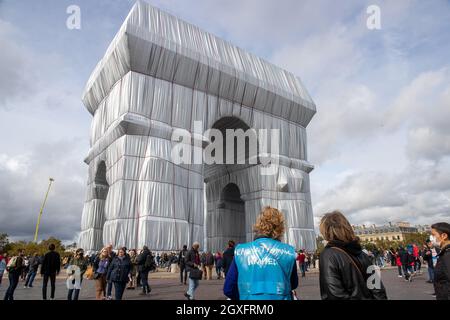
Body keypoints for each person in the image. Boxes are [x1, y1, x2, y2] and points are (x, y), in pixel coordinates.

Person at [224, 206, 298, 300]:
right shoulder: (288, 251)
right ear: (280, 226)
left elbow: (228, 289)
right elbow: (293, 284)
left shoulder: (241, 251)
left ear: (259, 224)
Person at [318, 211, 387, 300]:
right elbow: (377, 288)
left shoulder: (328, 255)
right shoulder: (362, 254)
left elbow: (335, 295)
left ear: (326, 231)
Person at [431, 222, 450, 300]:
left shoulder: (447, 255)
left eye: (433, 235)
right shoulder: (445, 253)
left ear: (444, 236)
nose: (431, 238)